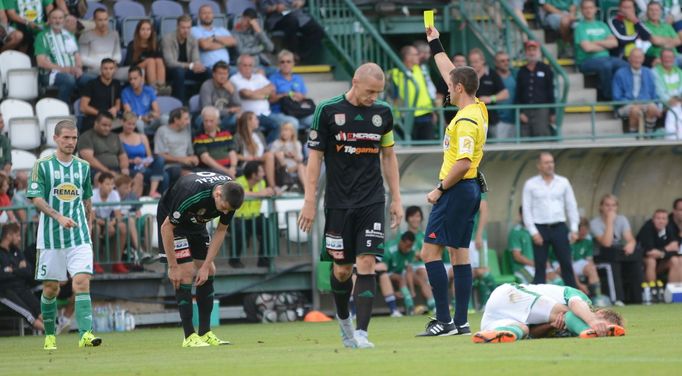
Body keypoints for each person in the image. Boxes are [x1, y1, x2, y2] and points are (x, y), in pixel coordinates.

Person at [297, 62, 403, 348]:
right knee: (342, 270)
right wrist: (309, 200)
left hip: (372, 199)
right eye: (370, 91)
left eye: (378, 92)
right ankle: (344, 322)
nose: (374, 97)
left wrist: (397, 198)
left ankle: (363, 333)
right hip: (338, 202)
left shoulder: (383, 113)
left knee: (367, 262)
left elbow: (389, 156)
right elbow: (315, 158)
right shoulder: (327, 110)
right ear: (355, 81)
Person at [408, 26, 486, 338]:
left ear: (460, 89)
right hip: (468, 190)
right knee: (460, 255)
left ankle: (443, 320)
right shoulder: (478, 107)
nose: (446, 90)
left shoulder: (466, 121)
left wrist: (439, 189)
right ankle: (462, 321)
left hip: (455, 188)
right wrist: (435, 41)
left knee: (429, 254)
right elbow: (452, 73)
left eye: (450, 87)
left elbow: (464, 162)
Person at [27, 119, 101, 350]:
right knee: (52, 288)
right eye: (66, 138)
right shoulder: (43, 165)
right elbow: (36, 198)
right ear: (56, 139)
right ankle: (50, 335)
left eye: (74, 138)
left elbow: (87, 199)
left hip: (78, 237)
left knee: (81, 282)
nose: (71, 142)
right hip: (50, 237)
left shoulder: (83, 166)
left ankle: (85, 334)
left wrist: (88, 225)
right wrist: (58, 216)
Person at [156, 171, 244, 347]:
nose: (225, 212)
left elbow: (220, 230)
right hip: (174, 224)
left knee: (210, 270)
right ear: (218, 194)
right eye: (224, 208)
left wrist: (204, 267)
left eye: (228, 210)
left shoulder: (230, 195)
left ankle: (205, 333)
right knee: (185, 272)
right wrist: (173, 267)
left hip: (197, 223)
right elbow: (166, 228)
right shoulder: (191, 193)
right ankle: (189, 336)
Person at [472, 283, 625, 343]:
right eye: (602, 327)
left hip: (495, 317)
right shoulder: (583, 301)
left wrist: (551, 326)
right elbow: (575, 304)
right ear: (599, 312)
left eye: (603, 331)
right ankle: (590, 327)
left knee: (522, 331)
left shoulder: (572, 329)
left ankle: (493, 334)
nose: (600, 329)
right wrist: (592, 322)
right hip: (510, 294)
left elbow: (532, 333)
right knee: (567, 312)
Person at [522, 152, 578, 288]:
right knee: (540, 264)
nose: (550, 165)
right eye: (546, 162)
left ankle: (575, 296)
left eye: (551, 162)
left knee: (566, 262)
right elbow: (526, 209)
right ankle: (540, 298)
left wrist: (574, 228)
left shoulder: (563, 182)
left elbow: (571, 205)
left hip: (559, 226)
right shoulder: (530, 184)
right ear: (539, 166)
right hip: (540, 227)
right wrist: (533, 232)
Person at [575, 0, 629, 101]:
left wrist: (595, 42)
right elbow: (587, 48)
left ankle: (624, 95)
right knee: (606, 66)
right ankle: (608, 96)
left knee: (625, 65)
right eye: (585, 8)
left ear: (595, 10)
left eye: (591, 8)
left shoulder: (602, 25)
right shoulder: (580, 27)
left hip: (606, 58)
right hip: (586, 61)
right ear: (581, 10)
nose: (588, 10)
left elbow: (614, 43)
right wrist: (605, 44)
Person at [591, 194, 638, 306]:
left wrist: (631, 244)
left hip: (617, 253)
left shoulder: (622, 219)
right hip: (601, 257)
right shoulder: (594, 223)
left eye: (613, 205)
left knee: (635, 262)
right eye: (607, 205)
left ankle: (638, 298)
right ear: (601, 207)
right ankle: (617, 299)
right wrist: (609, 222)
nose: (610, 208)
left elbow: (630, 238)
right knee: (612, 265)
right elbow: (606, 243)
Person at [35, 8, 87, 103]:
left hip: (71, 71)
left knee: (90, 80)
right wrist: (64, 69)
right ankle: (63, 108)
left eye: (60, 18)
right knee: (69, 80)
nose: (57, 21)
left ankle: (81, 108)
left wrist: (78, 68)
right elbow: (41, 62)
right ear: (49, 20)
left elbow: (77, 56)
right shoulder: (42, 36)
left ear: (64, 20)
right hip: (51, 74)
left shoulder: (70, 36)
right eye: (54, 18)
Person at [0, 223, 45, 331]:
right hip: (6, 292)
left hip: (22, 288)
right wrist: (19, 269)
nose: (20, 239)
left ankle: (54, 330)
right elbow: (2, 276)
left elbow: (28, 271)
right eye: (17, 235)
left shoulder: (16, 251)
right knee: (28, 314)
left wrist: (13, 270)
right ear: (9, 235)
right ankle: (51, 333)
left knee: (39, 309)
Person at [388, 45, 436, 140]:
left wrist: (433, 111)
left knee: (427, 149)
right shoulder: (394, 74)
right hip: (407, 118)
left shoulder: (420, 69)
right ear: (407, 57)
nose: (418, 56)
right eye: (416, 54)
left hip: (426, 115)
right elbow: (395, 98)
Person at [232, 161, 273, 268]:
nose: (264, 173)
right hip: (237, 217)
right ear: (254, 174)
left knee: (267, 225)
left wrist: (271, 192)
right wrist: (260, 193)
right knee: (239, 230)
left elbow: (263, 193)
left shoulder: (262, 183)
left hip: (254, 216)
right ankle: (234, 260)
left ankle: (264, 260)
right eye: (261, 171)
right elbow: (240, 193)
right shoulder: (238, 182)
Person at [230, 54, 280, 143]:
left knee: (290, 123)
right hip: (250, 115)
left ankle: (267, 149)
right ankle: (265, 150)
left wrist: (254, 93)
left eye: (250, 65)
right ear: (238, 66)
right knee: (276, 125)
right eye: (245, 65)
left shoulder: (258, 77)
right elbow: (246, 94)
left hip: (267, 113)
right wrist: (265, 95)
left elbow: (272, 89)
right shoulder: (234, 79)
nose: (248, 68)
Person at [508, 206, 562, 285]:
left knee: (558, 281)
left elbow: (543, 250)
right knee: (542, 285)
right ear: (520, 215)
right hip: (522, 268)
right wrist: (536, 263)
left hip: (538, 265)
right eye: (526, 214)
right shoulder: (516, 232)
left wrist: (545, 262)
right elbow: (517, 256)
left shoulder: (537, 231)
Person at [612, 48, 662, 133]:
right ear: (629, 59)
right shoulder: (620, 73)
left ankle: (648, 134)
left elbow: (654, 95)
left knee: (652, 108)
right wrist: (634, 103)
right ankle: (633, 135)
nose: (637, 60)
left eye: (639, 57)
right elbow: (616, 97)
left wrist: (657, 106)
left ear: (643, 59)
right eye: (634, 57)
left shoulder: (648, 72)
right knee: (635, 110)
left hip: (644, 103)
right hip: (625, 105)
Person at [119, 111, 167, 198]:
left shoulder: (142, 137)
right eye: (128, 124)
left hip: (144, 165)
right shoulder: (118, 138)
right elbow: (119, 158)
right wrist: (133, 160)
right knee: (164, 175)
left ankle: (153, 193)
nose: (131, 127)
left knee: (160, 161)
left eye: (133, 124)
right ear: (123, 122)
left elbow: (149, 156)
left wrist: (146, 161)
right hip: (130, 167)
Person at [162, 15, 208, 103]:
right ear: (177, 26)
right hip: (171, 70)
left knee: (207, 71)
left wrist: (197, 65)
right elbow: (170, 62)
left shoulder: (193, 39)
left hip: (188, 69)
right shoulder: (167, 39)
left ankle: (202, 102)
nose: (186, 30)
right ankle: (180, 103)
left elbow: (196, 58)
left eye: (188, 27)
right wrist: (190, 65)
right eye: (183, 27)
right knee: (179, 72)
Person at [259, 0, 323, 63]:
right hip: (278, 17)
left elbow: (303, 1)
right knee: (292, 22)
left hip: (297, 14)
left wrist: (301, 2)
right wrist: (275, 7)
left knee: (317, 30)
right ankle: (291, 53)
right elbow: (263, 8)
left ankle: (300, 56)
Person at [89, 172, 128, 274]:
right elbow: (92, 217)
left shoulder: (114, 194)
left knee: (122, 227)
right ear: (100, 184)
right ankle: (94, 262)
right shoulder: (93, 194)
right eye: (107, 184)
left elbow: (118, 216)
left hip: (108, 222)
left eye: (112, 184)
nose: (110, 187)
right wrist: (107, 224)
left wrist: (111, 224)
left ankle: (117, 262)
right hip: (96, 223)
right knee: (95, 229)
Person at [515, 40, 555, 138]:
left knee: (542, 136)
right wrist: (520, 112)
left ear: (538, 52)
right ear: (526, 52)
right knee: (525, 136)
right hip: (525, 109)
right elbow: (518, 92)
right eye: (529, 50)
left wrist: (552, 112)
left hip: (542, 110)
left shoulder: (545, 68)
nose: (532, 52)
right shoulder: (522, 71)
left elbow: (550, 90)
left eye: (534, 50)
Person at [268, 49, 314, 130]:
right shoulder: (273, 78)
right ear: (278, 64)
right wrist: (285, 95)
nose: (285, 64)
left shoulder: (298, 78)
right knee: (293, 122)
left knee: (316, 120)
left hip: (297, 111)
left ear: (293, 63)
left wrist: (300, 97)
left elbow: (304, 97)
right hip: (280, 112)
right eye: (282, 62)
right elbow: (270, 100)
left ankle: (310, 143)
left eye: (288, 61)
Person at [561, 218, 605, 301]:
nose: (584, 232)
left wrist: (592, 268)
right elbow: (568, 264)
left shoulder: (588, 241)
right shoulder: (567, 241)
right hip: (562, 264)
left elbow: (589, 260)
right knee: (566, 268)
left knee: (592, 268)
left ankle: (597, 298)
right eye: (582, 230)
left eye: (586, 230)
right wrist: (579, 284)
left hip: (578, 263)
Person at [469, 48, 508, 139]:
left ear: (483, 61)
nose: (473, 64)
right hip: (472, 119)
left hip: (491, 118)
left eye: (476, 61)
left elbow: (505, 94)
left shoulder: (492, 74)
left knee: (494, 148)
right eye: (471, 62)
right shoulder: (468, 75)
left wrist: (490, 99)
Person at [404, 206, 436, 314]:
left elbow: (430, 253)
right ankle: (432, 304)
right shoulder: (402, 236)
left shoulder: (425, 236)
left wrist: (421, 255)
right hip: (406, 269)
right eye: (412, 216)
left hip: (421, 268)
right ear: (407, 218)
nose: (415, 219)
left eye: (417, 216)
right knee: (417, 272)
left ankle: (425, 306)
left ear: (421, 218)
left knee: (422, 273)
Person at [233, 111, 278, 189]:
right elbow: (233, 155)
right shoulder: (238, 136)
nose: (258, 121)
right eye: (256, 119)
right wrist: (248, 158)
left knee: (271, 155)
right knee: (269, 156)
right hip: (247, 163)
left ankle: (272, 187)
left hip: (260, 161)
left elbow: (266, 151)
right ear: (248, 121)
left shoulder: (259, 134)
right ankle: (272, 187)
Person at [77, 112, 129, 178]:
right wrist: (107, 172)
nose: (107, 128)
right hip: (95, 171)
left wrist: (124, 168)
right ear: (96, 123)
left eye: (109, 126)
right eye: (104, 125)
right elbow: (89, 159)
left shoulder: (115, 136)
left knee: (138, 176)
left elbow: (123, 156)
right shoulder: (86, 136)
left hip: (116, 170)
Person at [155, 107, 197, 187]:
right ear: (176, 120)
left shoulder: (185, 131)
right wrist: (182, 159)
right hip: (170, 166)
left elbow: (190, 153)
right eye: (186, 119)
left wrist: (194, 158)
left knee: (205, 174)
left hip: (186, 165)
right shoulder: (162, 131)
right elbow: (160, 155)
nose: (188, 122)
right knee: (191, 176)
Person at [640, 209, 681, 288]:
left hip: (661, 260)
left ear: (667, 220)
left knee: (677, 260)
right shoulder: (647, 228)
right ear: (653, 220)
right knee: (651, 261)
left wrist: (661, 253)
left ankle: (674, 291)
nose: (661, 221)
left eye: (663, 218)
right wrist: (666, 249)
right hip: (644, 261)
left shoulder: (670, 228)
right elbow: (649, 252)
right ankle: (652, 292)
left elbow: (675, 249)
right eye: (658, 218)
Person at [193, 106, 238, 178]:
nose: (208, 124)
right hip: (211, 170)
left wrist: (233, 167)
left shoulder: (225, 133)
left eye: (211, 121)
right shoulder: (198, 135)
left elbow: (232, 152)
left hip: (229, 168)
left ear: (217, 120)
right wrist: (226, 171)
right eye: (206, 121)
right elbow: (205, 159)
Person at [380, 230, 416, 316]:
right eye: (407, 246)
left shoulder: (411, 250)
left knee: (417, 278)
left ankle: (412, 306)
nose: (408, 249)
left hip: (399, 274)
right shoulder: (389, 250)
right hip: (385, 273)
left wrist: (412, 290)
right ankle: (409, 306)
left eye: (410, 246)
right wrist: (393, 292)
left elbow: (409, 270)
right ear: (401, 242)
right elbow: (381, 274)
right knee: (400, 278)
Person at [79, 58, 121, 133]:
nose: (108, 71)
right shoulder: (91, 84)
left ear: (114, 70)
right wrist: (101, 113)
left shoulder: (116, 84)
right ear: (101, 69)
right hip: (94, 119)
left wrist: (115, 109)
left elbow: (118, 103)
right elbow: (83, 107)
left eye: (111, 68)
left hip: (111, 120)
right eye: (105, 68)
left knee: (126, 126)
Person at [198, 60, 241, 133]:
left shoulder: (232, 85)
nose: (223, 76)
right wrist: (229, 111)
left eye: (225, 74)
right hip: (208, 118)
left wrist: (232, 92)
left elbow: (238, 107)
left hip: (226, 117)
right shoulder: (207, 86)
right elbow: (207, 110)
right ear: (214, 74)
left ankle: (235, 141)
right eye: (220, 73)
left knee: (240, 117)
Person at [124, 19, 167, 93]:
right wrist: (145, 63)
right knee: (150, 61)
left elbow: (161, 60)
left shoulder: (155, 44)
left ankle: (161, 88)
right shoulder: (132, 44)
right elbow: (128, 64)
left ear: (151, 32)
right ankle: (153, 89)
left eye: (148, 29)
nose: (145, 32)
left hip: (152, 68)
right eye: (143, 29)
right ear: (138, 31)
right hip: (135, 68)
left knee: (159, 61)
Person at [78, 8, 122, 79]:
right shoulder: (85, 36)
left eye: (105, 19)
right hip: (94, 69)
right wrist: (103, 66)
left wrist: (113, 64)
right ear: (94, 20)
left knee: (133, 73)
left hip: (112, 68)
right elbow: (83, 58)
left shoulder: (114, 34)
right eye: (100, 20)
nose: (103, 23)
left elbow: (117, 55)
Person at [121, 66, 163, 136]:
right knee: (139, 123)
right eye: (130, 79)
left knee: (164, 118)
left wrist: (153, 115)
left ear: (142, 78)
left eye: (135, 78)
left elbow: (157, 111)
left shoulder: (149, 90)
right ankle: (143, 142)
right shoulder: (125, 92)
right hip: (137, 121)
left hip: (150, 120)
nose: (132, 81)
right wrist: (142, 118)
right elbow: (128, 115)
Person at [192, 4, 236, 69]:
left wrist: (214, 38)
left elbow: (233, 42)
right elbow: (205, 45)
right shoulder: (194, 29)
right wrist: (225, 44)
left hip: (227, 67)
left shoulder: (222, 29)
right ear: (199, 16)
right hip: (209, 68)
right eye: (204, 13)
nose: (207, 16)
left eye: (209, 13)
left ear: (213, 15)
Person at [654, 49, 682, 140]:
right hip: (662, 103)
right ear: (661, 59)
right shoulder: (654, 72)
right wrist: (669, 100)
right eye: (665, 57)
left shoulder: (679, 72)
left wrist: (678, 99)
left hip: (678, 101)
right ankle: (673, 137)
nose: (667, 59)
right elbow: (659, 91)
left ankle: (674, 136)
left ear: (674, 59)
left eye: (670, 57)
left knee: (676, 106)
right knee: (674, 107)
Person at [270, 122, 305, 190]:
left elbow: (300, 159)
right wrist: (284, 153)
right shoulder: (277, 143)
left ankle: (306, 187)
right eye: (282, 130)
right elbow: (272, 154)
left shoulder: (296, 143)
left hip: (294, 167)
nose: (283, 132)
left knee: (302, 166)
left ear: (292, 132)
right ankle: (305, 188)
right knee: (280, 154)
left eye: (286, 130)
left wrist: (293, 156)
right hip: (283, 168)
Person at [493, 51, 516, 140]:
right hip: (499, 122)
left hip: (516, 120)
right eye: (502, 61)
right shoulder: (492, 77)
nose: (506, 63)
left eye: (507, 60)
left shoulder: (515, 75)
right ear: (496, 63)